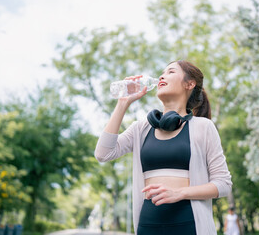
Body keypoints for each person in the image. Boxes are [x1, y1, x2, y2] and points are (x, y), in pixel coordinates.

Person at [94, 60, 232, 235]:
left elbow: (224, 184)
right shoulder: (141, 128)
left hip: (189, 225)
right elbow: (103, 154)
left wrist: (179, 193)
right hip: (148, 225)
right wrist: (123, 103)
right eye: (162, 73)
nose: (162, 76)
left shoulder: (203, 127)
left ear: (190, 84)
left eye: (171, 72)